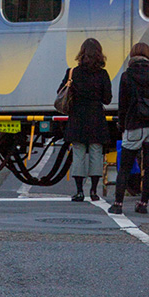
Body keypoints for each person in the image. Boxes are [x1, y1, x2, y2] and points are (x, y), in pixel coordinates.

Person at [111, 42, 149, 215]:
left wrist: (122, 123)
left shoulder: (127, 75)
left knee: (125, 167)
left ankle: (118, 204)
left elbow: (123, 104)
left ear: (133, 55)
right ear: (148, 55)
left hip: (134, 125)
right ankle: (143, 204)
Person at [58, 37, 112, 202]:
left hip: (77, 117)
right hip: (96, 117)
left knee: (79, 153)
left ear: (82, 53)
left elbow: (60, 91)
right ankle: (94, 191)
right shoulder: (102, 74)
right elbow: (107, 99)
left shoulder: (72, 72)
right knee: (96, 153)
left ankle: (79, 191)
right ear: (99, 55)